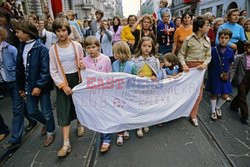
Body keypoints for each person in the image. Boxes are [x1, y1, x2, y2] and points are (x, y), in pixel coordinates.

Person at [15, 20, 56, 147]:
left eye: (18, 32)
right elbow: (19, 69)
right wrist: (21, 87)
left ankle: (50, 132)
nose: (16, 34)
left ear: (27, 32)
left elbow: (45, 70)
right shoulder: (21, 46)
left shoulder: (41, 48)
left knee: (47, 111)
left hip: (42, 86)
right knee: (31, 111)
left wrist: (39, 85)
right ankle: (46, 123)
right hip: (28, 85)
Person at [49, 18, 85, 157]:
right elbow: (53, 70)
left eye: (63, 30)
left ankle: (80, 124)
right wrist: (62, 85)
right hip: (63, 81)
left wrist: (82, 65)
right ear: (55, 32)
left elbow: (82, 60)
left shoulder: (76, 45)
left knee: (78, 105)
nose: (61, 33)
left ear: (68, 31)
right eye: (58, 30)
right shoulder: (53, 49)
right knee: (64, 110)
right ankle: (66, 143)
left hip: (76, 78)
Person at [178, 16, 211, 127]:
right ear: (200, 27)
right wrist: (184, 65)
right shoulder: (188, 39)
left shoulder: (207, 40)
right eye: (207, 25)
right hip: (189, 68)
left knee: (198, 93)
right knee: (185, 91)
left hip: (200, 70)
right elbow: (181, 54)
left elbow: (208, 56)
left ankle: (193, 115)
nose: (209, 27)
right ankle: (179, 111)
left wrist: (204, 64)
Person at [83, 36, 112, 153]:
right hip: (92, 92)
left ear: (99, 47)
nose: (91, 50)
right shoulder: (84, 61)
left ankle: (106, 138)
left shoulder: (106, 59)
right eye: (88, 47)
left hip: (103, 92)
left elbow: (109, 75)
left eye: (93, 47)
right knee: (96, 115)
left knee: (104, 114)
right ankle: (101, 132)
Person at [132, 37, 160, 137]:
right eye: (144, 46)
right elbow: (131, 73)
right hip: (139, 87)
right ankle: (139, 125)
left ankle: (146, 122)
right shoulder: (135, 59)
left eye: (149, 46)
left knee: (147, 104)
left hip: (149, 87)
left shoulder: (154, 60)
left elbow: (158, 73)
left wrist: (155, 76)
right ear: (140, 46)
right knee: (139, 105)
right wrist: (136, 75)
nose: (147, 48)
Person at [112, 41, 137, 145]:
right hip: (117, 93)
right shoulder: (114, 64)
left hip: (128, 93)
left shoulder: (131, 65)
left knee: (127, 112)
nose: (113, 55)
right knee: (118, 113)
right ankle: (120, 134)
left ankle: (126, 128)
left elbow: (135, 79)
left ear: (120, 53)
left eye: (115, 53)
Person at [206, 29, 234, 121]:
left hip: (225, 76)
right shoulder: (213, 50)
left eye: (226, 38)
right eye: (222, 37)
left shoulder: (230, 51)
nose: (223, 40)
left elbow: (230, 63)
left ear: (229, 39)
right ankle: (213, 110)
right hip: (214, 75)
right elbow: (208, 62)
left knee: (225, 95)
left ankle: (218, 107)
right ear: (218, 38)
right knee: (214, 94)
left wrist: (229, 74)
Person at [230, 41, 250, 125]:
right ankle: (244, 116)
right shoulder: (239, 57)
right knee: (242, 97)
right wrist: (231, 78)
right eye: (248, 47)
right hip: (242, 77)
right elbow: (234, 68)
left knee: (244, 94)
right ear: (245, 48)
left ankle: (233, 105)